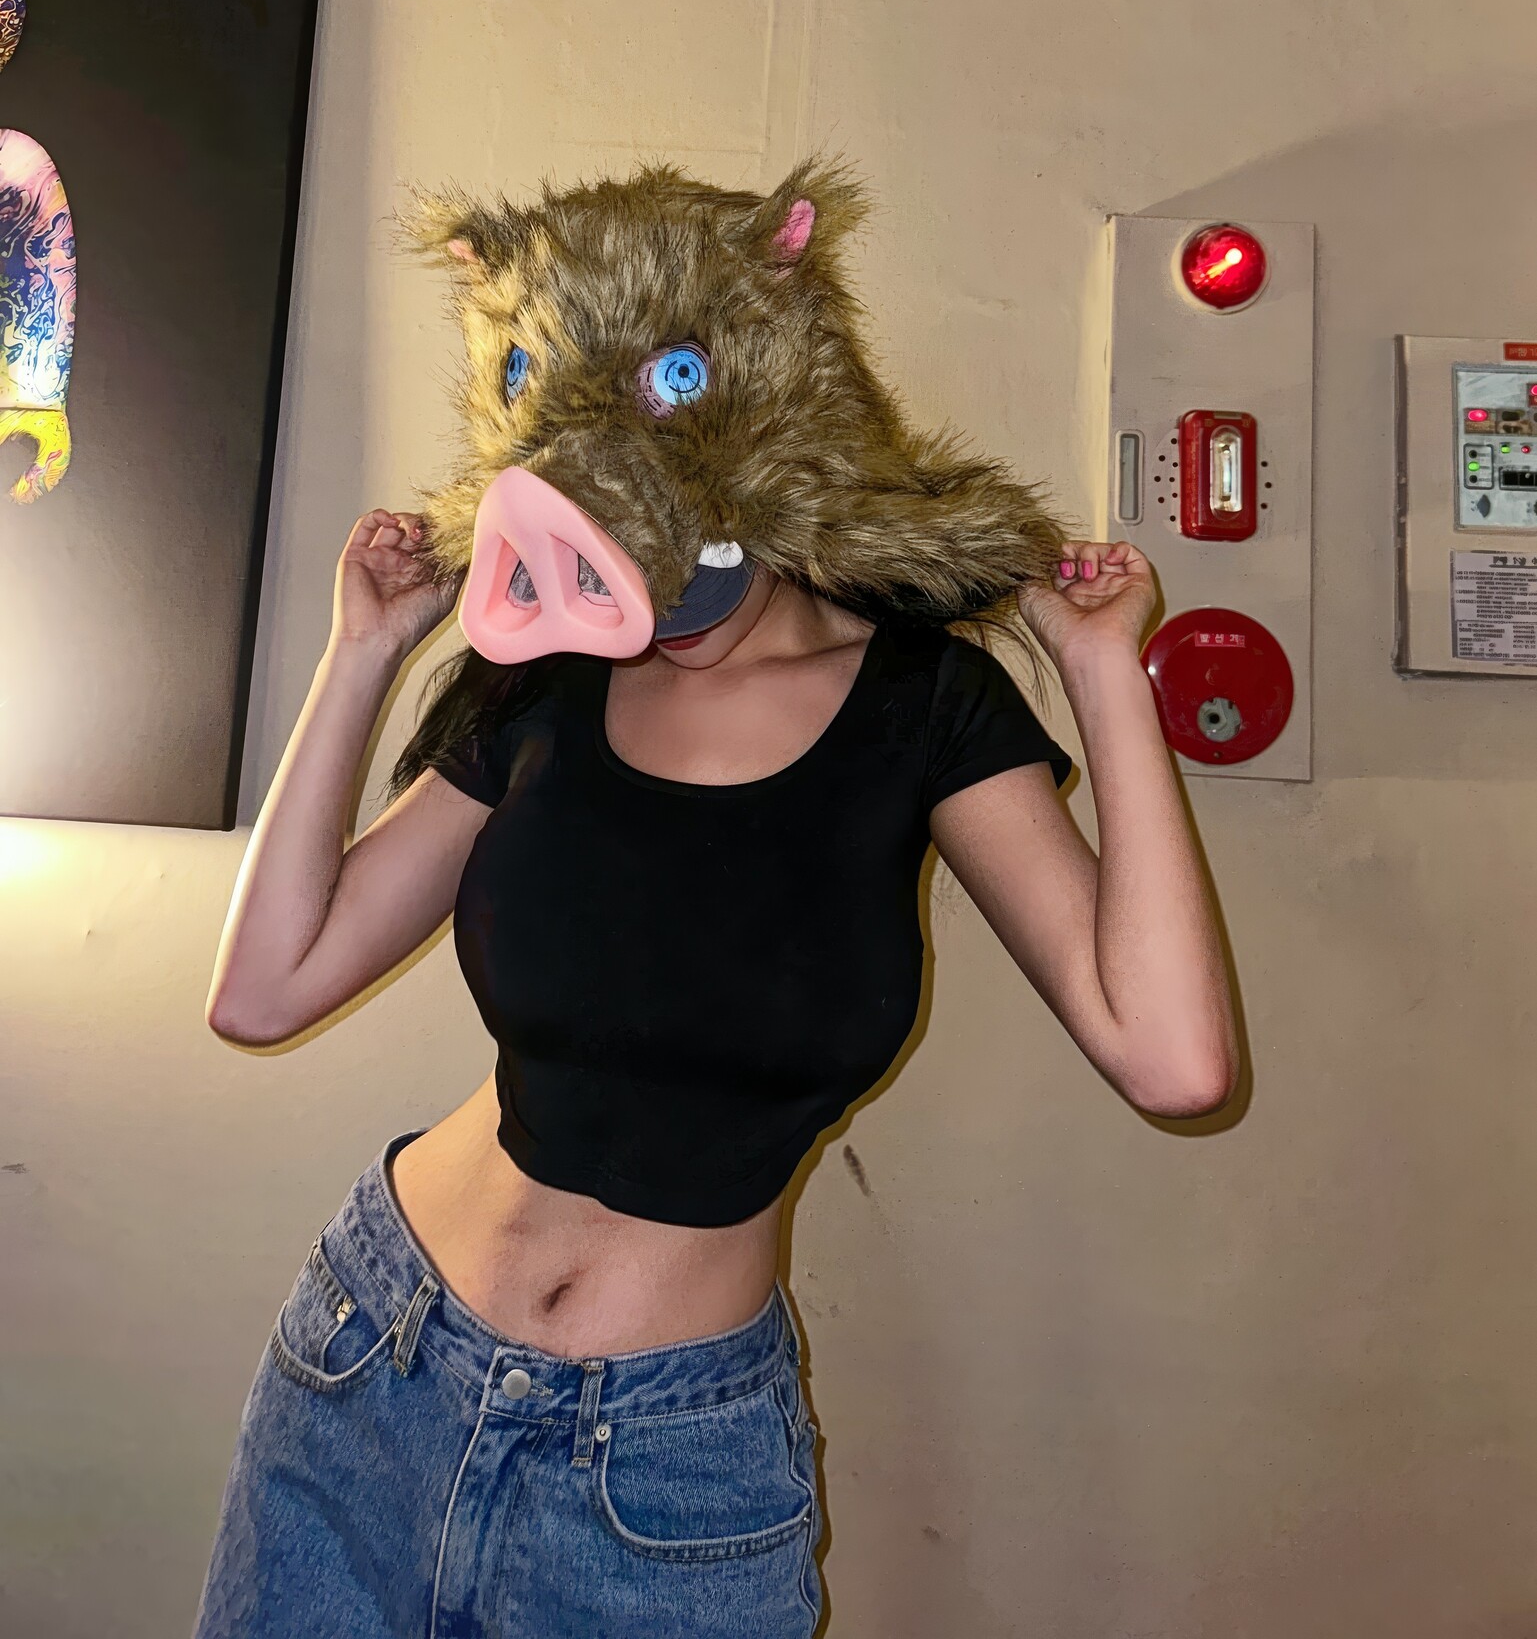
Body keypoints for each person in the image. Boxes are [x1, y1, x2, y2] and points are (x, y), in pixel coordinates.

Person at [192, 163, 1236, 1639]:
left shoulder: (921, 706)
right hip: (377, 1366)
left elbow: (1174, 1060)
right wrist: (362, 653)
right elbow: (263, 990)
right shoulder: (542, 687)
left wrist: (1102, 669)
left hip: (664, 1476)